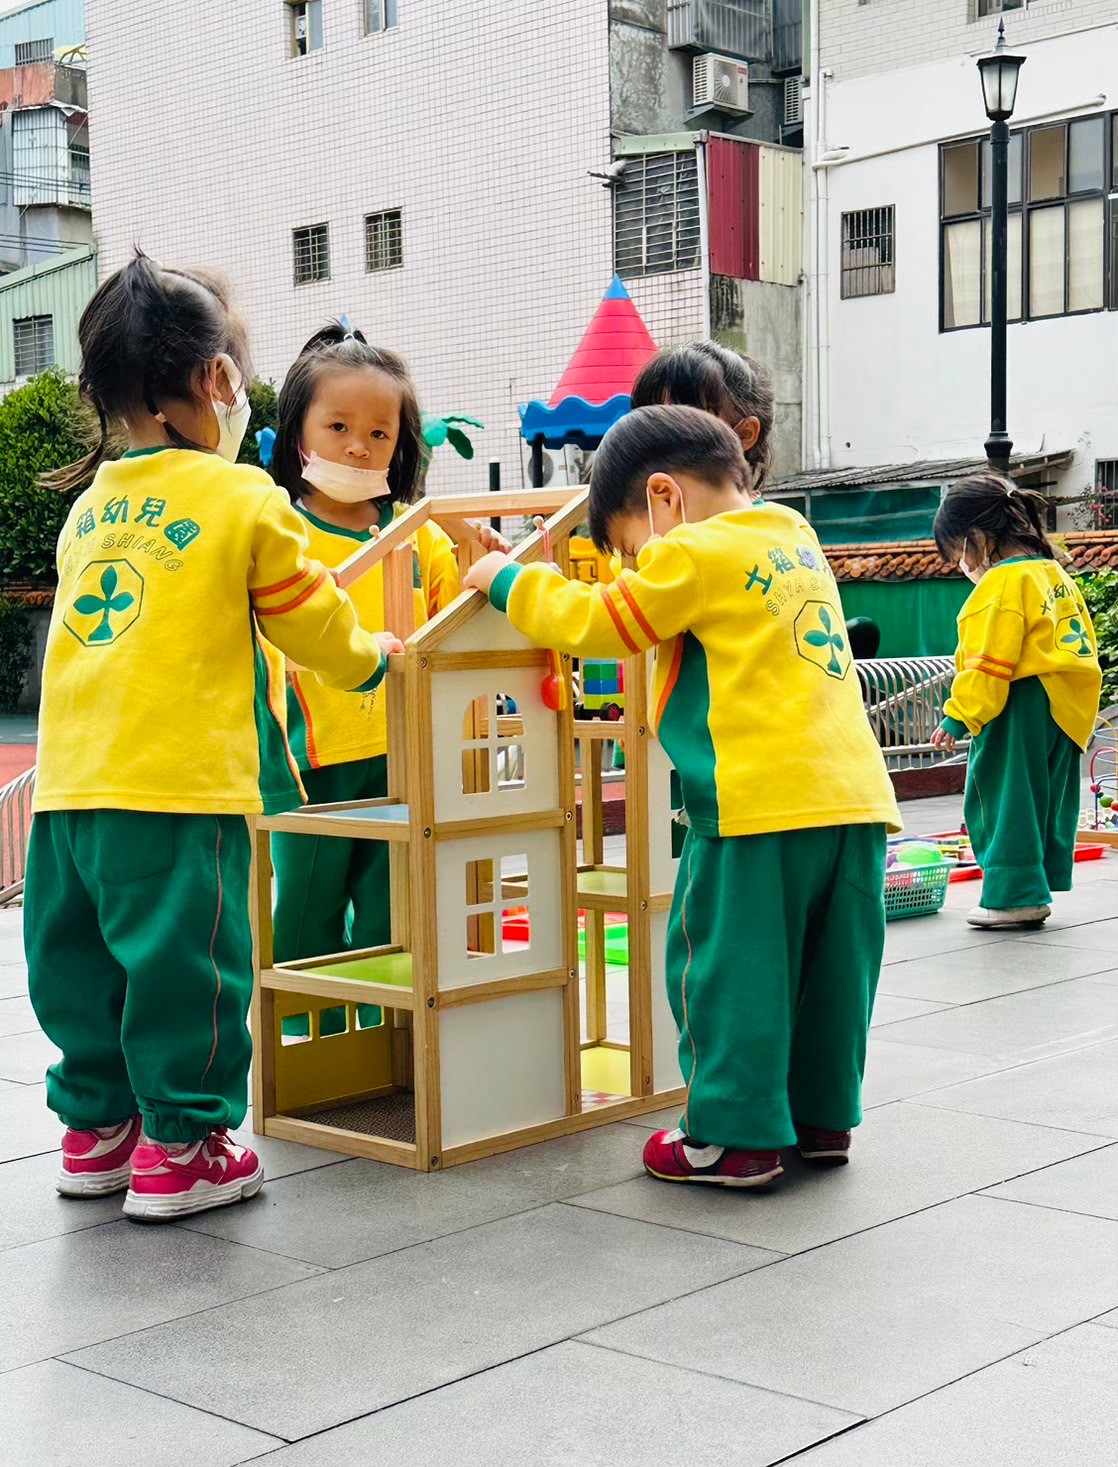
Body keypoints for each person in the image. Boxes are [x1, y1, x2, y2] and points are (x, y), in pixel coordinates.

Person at [27, 252, 393, 1220]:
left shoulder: (87, 510)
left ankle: (97, 1130)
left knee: (81, 963)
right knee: (189, 967)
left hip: (67, 794)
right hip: (179, 789)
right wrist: (373, 660)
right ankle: (183, 1148)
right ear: (216, 377)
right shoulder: (243, 501)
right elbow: (312, 621)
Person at [465, 405, 900, 1188]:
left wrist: (506, 580)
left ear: (664, 497)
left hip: (755, 807)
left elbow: (601, 622)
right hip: (856, 801)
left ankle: (731, 1136)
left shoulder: (693, 550)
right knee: (833, 972)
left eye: (634, 549)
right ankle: (822, 1117)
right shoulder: (793, 534)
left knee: (731, 971)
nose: (641, 566)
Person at [268, 324, 508, 1017]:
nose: (358, 446)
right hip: (311, 759)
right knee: (307, 912)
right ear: (298, 431)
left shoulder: (419, 531)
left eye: (379, 433)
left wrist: (481, 559)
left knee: (390, 912)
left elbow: (454, 615)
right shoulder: (279, 533)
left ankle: (382, 1038)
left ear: (400, 445)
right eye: (338, 426)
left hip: (402, 755)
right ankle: (306, 1041)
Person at [930, 473, 1101, 929]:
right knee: (1044, 799)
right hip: (1066, 703)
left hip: (1019, 701)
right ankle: (1035, 887)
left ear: (977, 539)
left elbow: (987, 660)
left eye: (958, 553)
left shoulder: (1001, 584)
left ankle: (1013, 896)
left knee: (1004, 796)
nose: (960, 566)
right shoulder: (1052, 572)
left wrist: (959, 715)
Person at [630, 341, 777, 500]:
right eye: (654, 423)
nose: (665, 438)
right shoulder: (648, 512)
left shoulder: (766, 516)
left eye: (688, 422)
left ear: (744, 434)